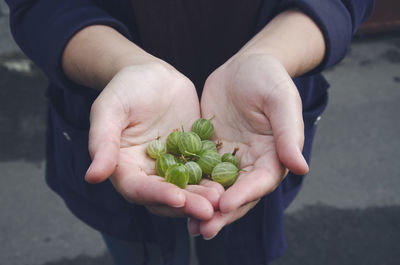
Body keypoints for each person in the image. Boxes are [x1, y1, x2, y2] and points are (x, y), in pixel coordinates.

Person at [6, 0, 374, 264]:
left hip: (253, 120)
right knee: (138, 250)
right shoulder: (181, 151)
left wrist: (272, 55)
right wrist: (122, 64)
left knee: (241, 247)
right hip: (125, 123)